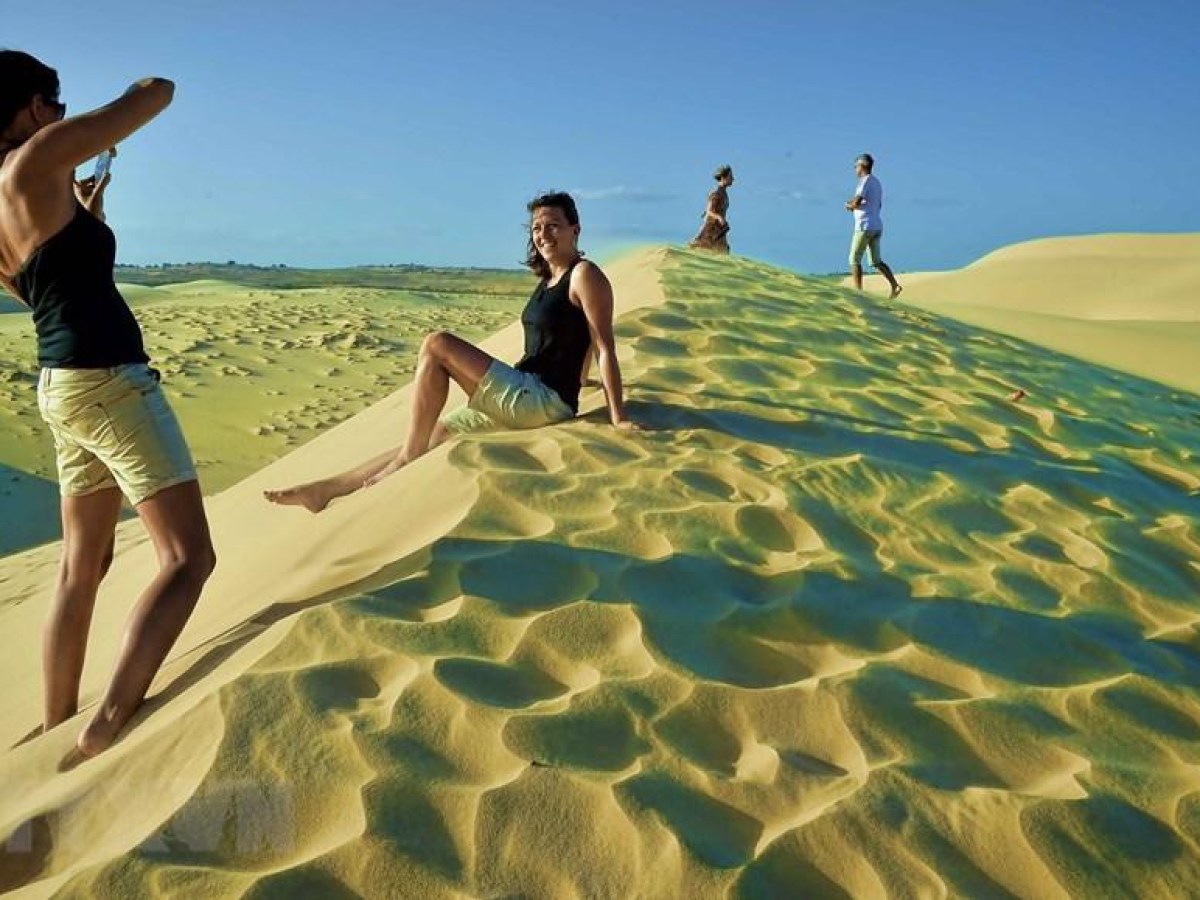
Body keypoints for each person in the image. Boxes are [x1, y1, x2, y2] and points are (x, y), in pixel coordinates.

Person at [0, 52, 215, 757]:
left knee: (79, 566)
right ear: (34, 107)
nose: (60, 120)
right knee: (188, 558)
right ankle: (107, 726)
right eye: (55, 107)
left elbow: (44, 291)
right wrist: (104, 115)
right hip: (109, 381)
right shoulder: (40, 155)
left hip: (62, 386)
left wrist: (86, 215)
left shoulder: (11, 196)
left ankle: (56, 721)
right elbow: (159, 91)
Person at [265, 191, 636, 513]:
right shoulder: (548, 280)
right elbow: (576, 341)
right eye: (537, 228)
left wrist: (617, 417)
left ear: (576, 229)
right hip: (528, 394)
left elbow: (603, 343)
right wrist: (581, 378)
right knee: (434, 433)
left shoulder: (585, 275)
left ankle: (405, 460)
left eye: (553, 225)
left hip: (540, 401)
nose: (543, 235)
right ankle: (328, 489)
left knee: (437, 343)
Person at [845, 153, 902, 298]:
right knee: (876, 261)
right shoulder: (876, 182)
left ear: (862, 166)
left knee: (854, 259)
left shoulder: (864, 181)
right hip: (876, 225)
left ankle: (858, 292)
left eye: (855, 166)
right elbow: (878, 204)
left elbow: (857, 201)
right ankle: (895, 285)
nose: (855, 170)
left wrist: (850, 205)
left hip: (864, 226)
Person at [689, 165, 734, 253]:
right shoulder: (716, 192)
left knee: (722, 252)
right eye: (730, 177)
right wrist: (719, 217)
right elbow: (709, 211)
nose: (733, 179)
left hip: (719, 229)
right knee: (702, 249)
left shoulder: (723, 193)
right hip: (711, 228)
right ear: (722, 177)